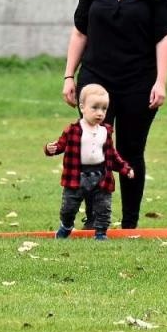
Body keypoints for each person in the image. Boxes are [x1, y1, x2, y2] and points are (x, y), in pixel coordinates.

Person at [60, 0, 167, 230]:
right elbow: (80, 31)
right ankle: (95, 219)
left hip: (139, 81)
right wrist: (69, 76)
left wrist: (160, 81)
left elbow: (164, 37)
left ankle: (130, 223)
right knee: (93, 150)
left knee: (129, 151)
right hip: (96, 80)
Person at [44, 83, 134, 240]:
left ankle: (100, 233)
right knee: (69, 207)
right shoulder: (73, 130)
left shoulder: (105, 131)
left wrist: (125, 169)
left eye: (104, 109)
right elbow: (60, 145)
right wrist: (49, 148)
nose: (100, 113)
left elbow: (112, 155)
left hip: (101, 176)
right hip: (77, 176)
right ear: (82, 107)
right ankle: (66, 226)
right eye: (95, 108)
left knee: (103, 207)